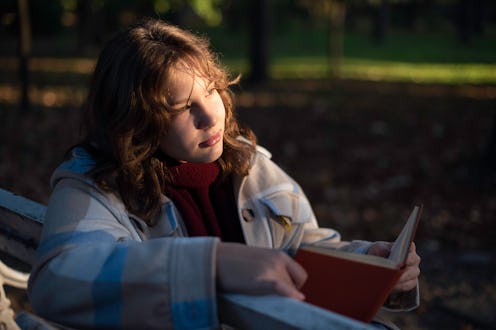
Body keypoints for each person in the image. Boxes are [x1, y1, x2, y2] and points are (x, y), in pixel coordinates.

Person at [28, 18, 420, 329]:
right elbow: (58, 282)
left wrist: (369, 262)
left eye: (212, 89)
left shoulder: (249, 165)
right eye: (182, 108)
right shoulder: (97, 187)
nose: (210, 115)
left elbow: (303, 245)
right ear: (136, 121)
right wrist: (212, 263)